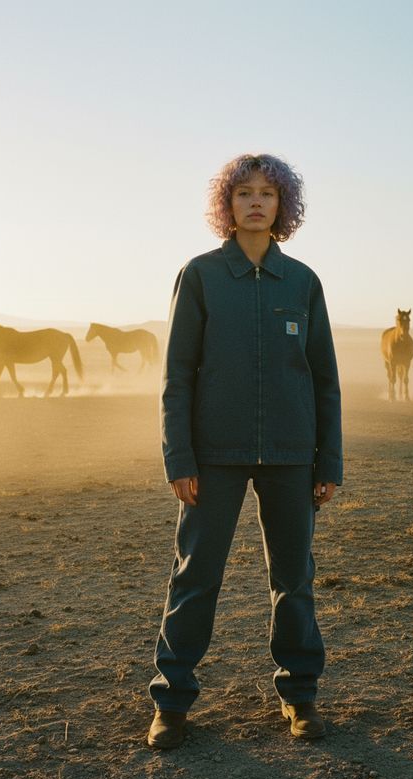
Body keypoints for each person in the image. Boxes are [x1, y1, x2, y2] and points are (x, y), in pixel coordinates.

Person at [147, 153, 343, 748]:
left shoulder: (303, 282)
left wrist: (328, 460)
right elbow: (177, 375)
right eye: (243, 194)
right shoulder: (202, 275)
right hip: (214, 456)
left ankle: (301, 697)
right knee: (196, 576)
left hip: (291, 455)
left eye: (267, 193)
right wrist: (179, 458)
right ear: (226, 207)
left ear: (283, 205)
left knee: (294, 579)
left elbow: (324, 378)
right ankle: (172, 702)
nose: (255, 202)